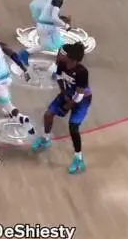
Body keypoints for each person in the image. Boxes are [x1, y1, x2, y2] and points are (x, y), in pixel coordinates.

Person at [32, 41, 90, 174]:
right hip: (68, 93)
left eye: (64, 54)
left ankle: (79, 159)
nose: (60, 55)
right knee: (48, 114)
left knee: (73, 127)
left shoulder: (82, 72)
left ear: (72, 59)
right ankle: (46, 139)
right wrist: (64, 93)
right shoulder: (62, 64)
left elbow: (80, 95)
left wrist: (67, 106)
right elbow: (59, 78)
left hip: (82, 100)